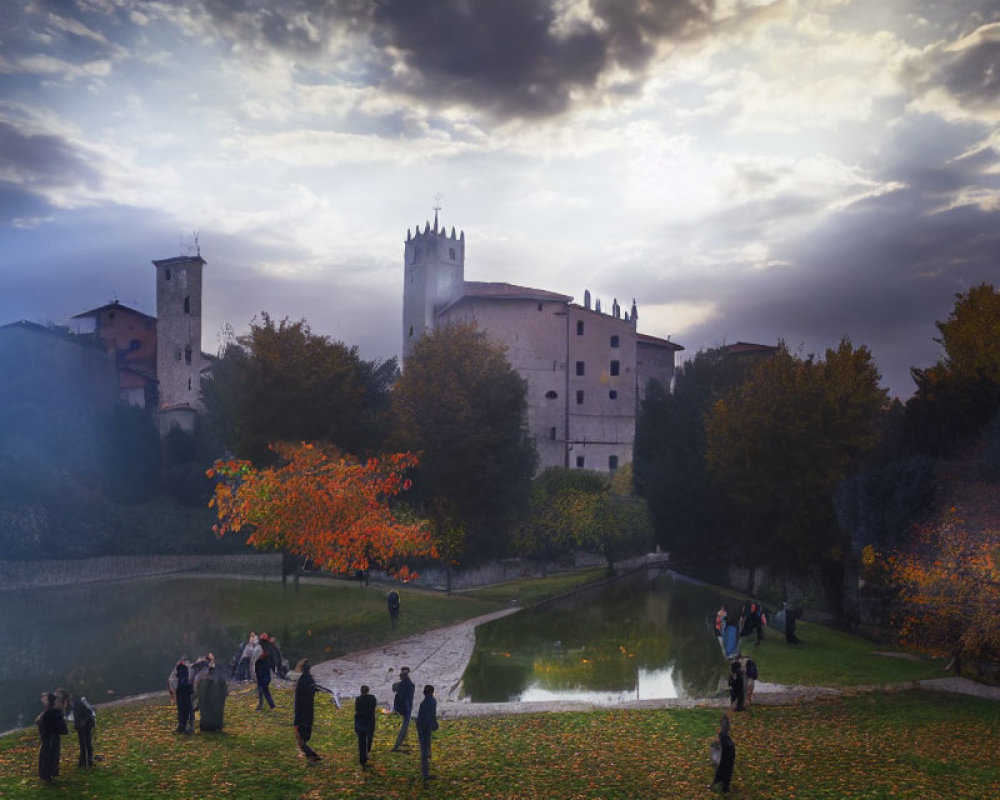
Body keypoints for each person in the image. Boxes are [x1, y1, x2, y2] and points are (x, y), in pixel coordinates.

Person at [293, 659, 332, 762]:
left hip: (301, 712)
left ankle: (314, 757)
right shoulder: (310, 680)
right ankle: (311, 756)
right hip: (309, 711)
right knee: (303, 736)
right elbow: (312, 690)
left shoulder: (302, 680)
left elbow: (298, 700)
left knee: (301, 739)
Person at [36, 692, 67, 781]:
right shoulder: (54, 712)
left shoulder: (46, 712)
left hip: (46, 737)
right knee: (51, 755)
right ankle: (50, 772)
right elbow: (59, 725)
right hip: (51, 737)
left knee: (47, 755)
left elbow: (40, 723)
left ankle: (48, 773)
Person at [416, 684, 439, 784]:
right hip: (425, 727)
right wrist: (434, 725)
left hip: (421, 726)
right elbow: (432, 715)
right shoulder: (432, 701)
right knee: (425, 750)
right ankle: (425, 775)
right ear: (432, 692)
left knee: (424, 749)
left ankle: (425, 772)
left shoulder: (423, 702)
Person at [196, 662, 228, 732]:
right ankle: (211, 725)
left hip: (214, 696)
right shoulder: (203, 678)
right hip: (210, 695)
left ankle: (212, 725)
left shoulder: (204, 678)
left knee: (214, 710)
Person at [391, 666, 415, 752]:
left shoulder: (400, 685)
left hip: (402, 708)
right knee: (404, 726)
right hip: (406, 709)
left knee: (404, 726)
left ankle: (400, 743)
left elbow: (395, 688)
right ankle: (398, 745)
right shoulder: (411, 685)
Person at [710, 713, 736, 793]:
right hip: (727, 755)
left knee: (723, 770)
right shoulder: (724, 738)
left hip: (726, 756)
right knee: (724, 771)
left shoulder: (724, 739)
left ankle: (723, 787)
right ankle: (721, 786)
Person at [353, 684, 377, 769]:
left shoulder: (358, 699)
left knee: (361, 741)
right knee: (369, 737)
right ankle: (368, 751)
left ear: (361, 691)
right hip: (370, 721)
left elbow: (357, 709)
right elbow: (374, 708)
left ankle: (362, 758)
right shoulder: (372, 698)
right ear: (368, 691)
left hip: (361, 722)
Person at [72, 695, 96, 767]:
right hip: (81, 724)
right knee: (83, 743)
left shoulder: (80, 701)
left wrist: (83, 722)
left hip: (85, 724)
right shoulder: (76, 702)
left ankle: (88, 760)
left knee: (87, 742)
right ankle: (84, 760)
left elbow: (89, 711)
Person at [254, 639, 276, 710]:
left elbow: (257, 669)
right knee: (266, 691)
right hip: (264, 678)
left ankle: (260, 706)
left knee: (262, 691)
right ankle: (271, 704)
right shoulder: (266, 659)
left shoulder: (262, 660)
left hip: (263, 678)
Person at [173, 661, 194, 733]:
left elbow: (174, 683)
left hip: (181, 691)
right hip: (186, 691)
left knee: (182, 709)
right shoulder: (189, 671)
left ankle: (182, 725)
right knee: (188, 709)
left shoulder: (177, 675)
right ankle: (187, 726)